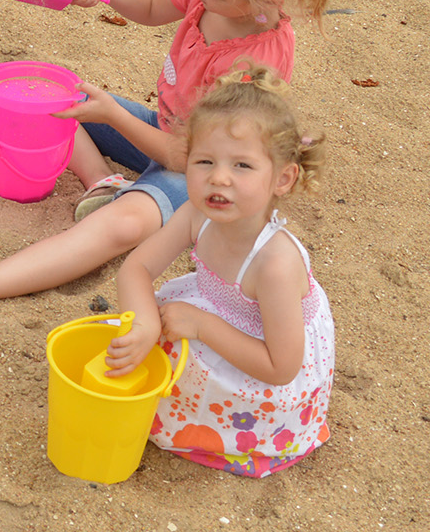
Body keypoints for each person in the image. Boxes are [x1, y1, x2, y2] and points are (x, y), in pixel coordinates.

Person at [0, 0, 339, 337]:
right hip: (168, 127)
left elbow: (185, 157)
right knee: (60, 98)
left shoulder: (253, 61)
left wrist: (115, 115)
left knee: (123, 225)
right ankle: (104, 181)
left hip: (207, 169)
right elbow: (156, 6)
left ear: (262, 1)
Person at [105, 66, 335, 477]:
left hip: (264, 363)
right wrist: (142, 324)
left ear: (282, 178)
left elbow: (282, 368)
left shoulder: (275, 264)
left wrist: (202, 325)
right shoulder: (197, 214)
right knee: (137, 344)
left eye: (243, 166)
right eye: (204, 161)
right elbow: (136, 267)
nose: (219, 177)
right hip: (207, 318)